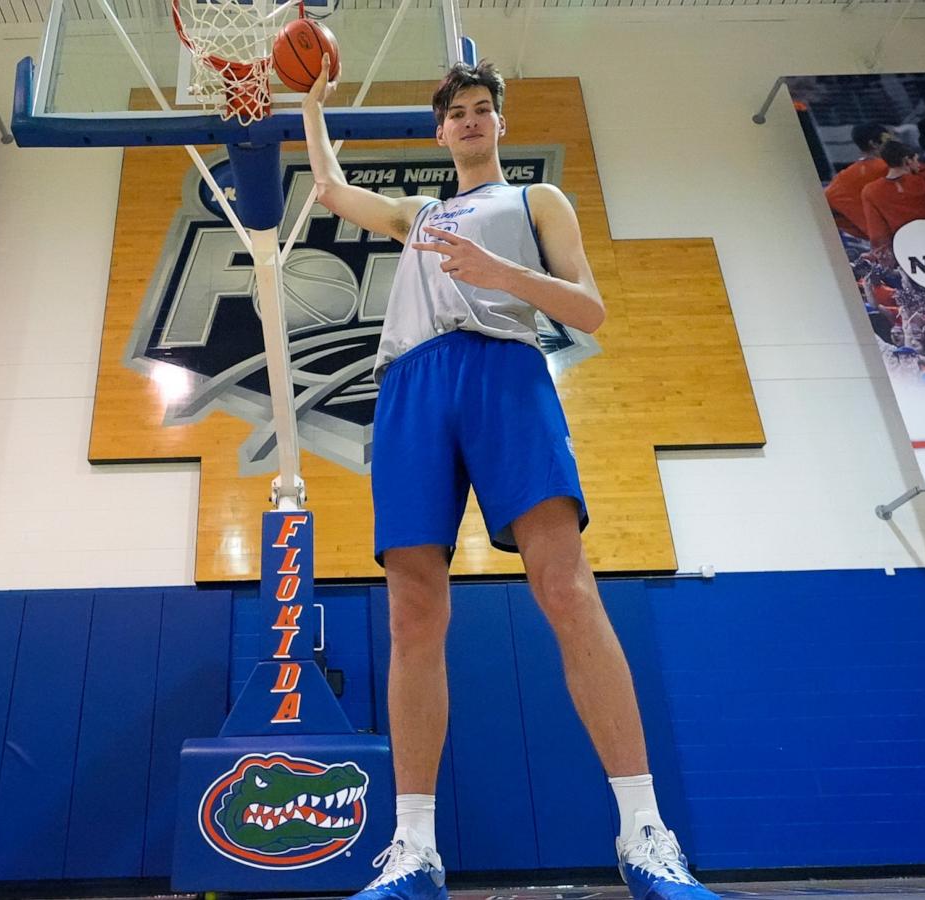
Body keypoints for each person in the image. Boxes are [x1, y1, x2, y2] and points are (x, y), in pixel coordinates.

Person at [301, 60, 717, 900]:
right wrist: (311, 101)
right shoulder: (417, 213)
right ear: (439, 131)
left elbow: (590, 309)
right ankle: (413, 852)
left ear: (499, 124)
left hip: (506, 371)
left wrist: (504, 278)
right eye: (456, 112)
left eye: (483, 109)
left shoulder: (536, 202)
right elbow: (331, 188)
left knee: (565, 588)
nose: (470, 120)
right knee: (414, 612)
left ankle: (646, 837)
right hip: (413, 384)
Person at [859, 141, 925, 253]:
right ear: (907, 160)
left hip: (912, 251)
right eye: (916, 160)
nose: (919, 165)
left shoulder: (871, 192)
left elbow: (878, 234)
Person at [824, 123, 892, 240]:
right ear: (874, 144)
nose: (894, 145)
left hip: (878, 240)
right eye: (889, 141)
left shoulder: (841, 178)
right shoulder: (889, 168)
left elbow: (828, 201)